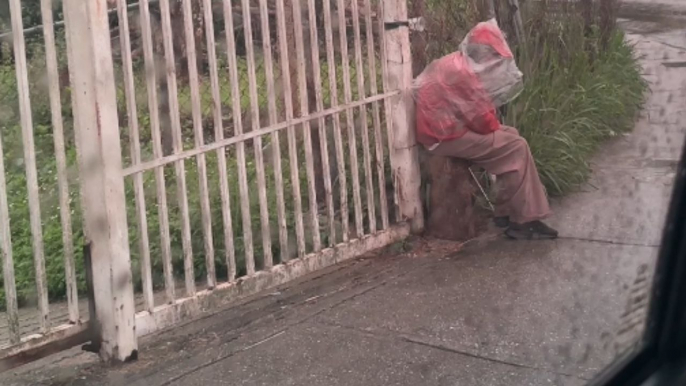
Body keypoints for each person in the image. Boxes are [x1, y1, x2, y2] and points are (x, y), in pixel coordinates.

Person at [414, 49, 558, 240]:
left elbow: (473, 113)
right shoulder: (464, 74)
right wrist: (494, 125)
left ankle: (506, 212)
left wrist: (494, 126)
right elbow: (481, 119)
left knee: (511, 136)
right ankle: (523, 221)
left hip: (440, 131)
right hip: (443, 137)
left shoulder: (457, 63)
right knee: (517, 145)